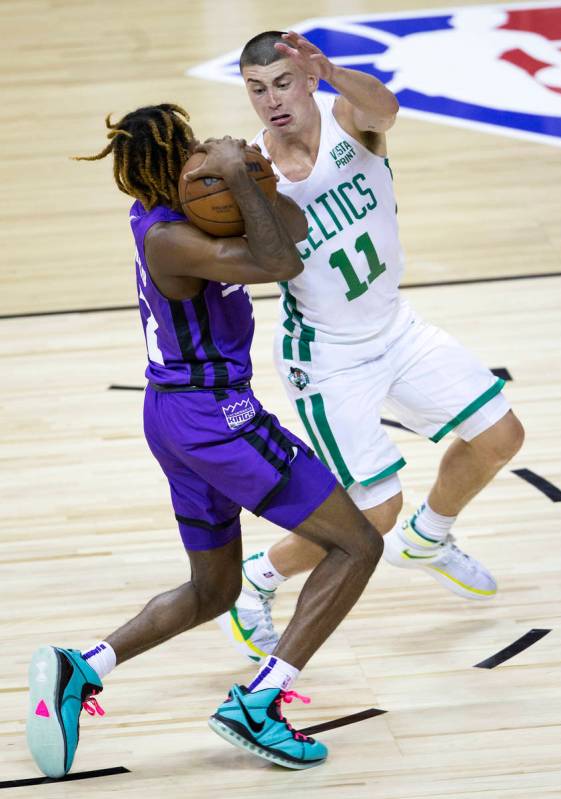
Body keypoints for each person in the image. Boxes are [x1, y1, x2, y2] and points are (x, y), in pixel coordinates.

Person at [26, 103, 384, 778]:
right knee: (357, 543)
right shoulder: (169, 237)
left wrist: (259, 179)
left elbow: (295, 232)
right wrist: (238, 178)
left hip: (178, 416)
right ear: (170, 166)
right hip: (214, 420)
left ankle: (81, 669)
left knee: (213, 588)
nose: (198, 150)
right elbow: (279, 262)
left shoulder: (179, 212)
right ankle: (259, 702)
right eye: (185, 146)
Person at [216, 31, 525, 663]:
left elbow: (386, 110)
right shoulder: (252, 173)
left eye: (282, 82)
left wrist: (331, 68)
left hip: (397, 328)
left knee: (502, 436)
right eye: (256, 89)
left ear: (305, 80)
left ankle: (431, 537)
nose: (271, 100)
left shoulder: (349, 119)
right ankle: (258, 579)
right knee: (373, 511)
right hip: (328, 356)